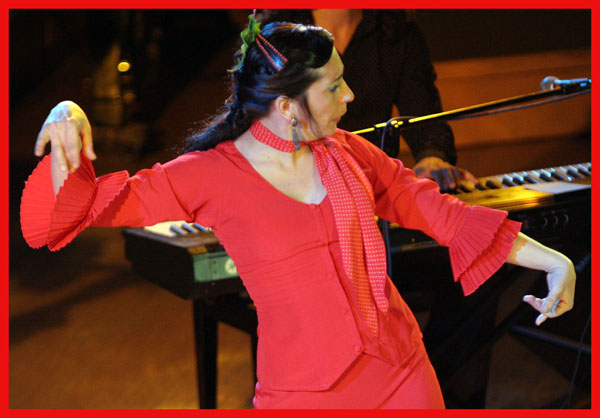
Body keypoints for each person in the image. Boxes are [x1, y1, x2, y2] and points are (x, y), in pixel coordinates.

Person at [21, 17, 575, 409]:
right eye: (335, 86)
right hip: (303, 393)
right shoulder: (206, 175)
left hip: (402, 372)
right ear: (287, 106)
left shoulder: (352, 153)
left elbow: (441, 212)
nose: (350, 95)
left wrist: (554, 261)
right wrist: (67, 109)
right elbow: (76, 209)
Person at [258, 9, 478, 192]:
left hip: (373, 188)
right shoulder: (273, 34)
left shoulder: (398, 32)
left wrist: (432, 156)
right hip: (296, 190)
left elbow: (424, 117)